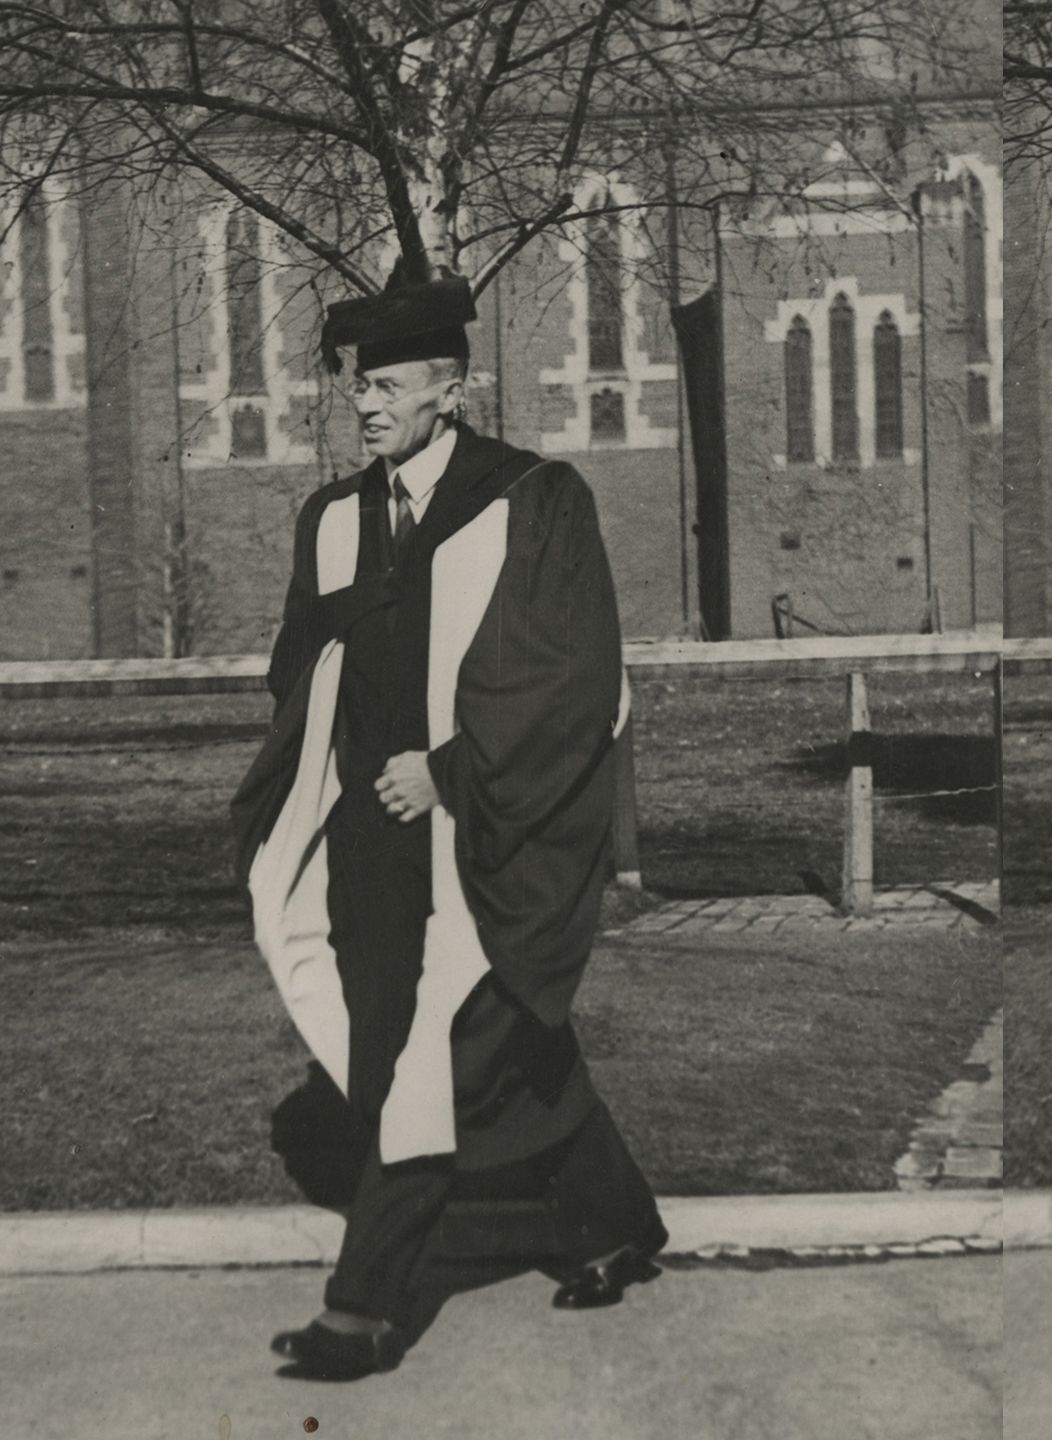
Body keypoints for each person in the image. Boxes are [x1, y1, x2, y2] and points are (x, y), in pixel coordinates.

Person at [232, 268, 667, 1379]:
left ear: (448, 388)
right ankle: (616, 1223)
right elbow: (299, 674)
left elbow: (575, 682)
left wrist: (451, 770)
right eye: (355, 387)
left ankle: (365, 1309)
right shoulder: (330, 522)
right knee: (487, 1039)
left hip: (481, 832)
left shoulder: (534, 500)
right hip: (367, 846)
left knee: (422, 1054)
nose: (364, 405)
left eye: (385, 385)